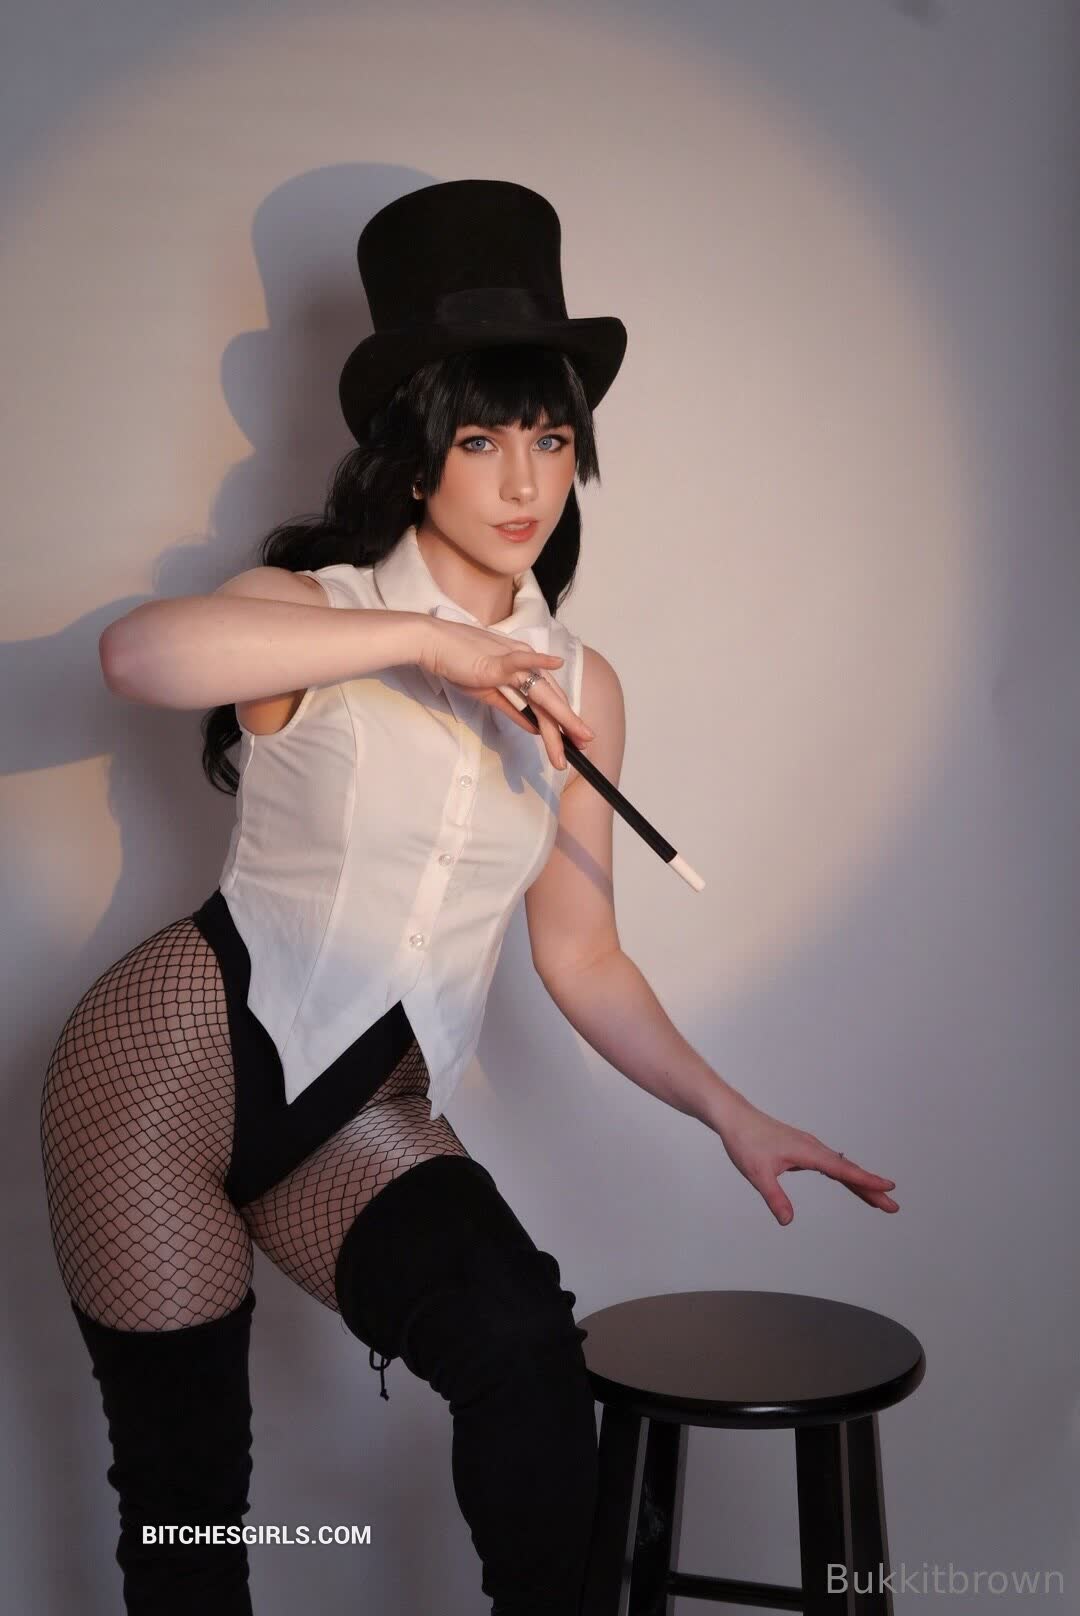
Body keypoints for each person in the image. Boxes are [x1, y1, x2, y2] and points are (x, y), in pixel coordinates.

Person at [39, 179, 899, 1616]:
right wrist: (419, 647)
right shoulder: (312, 614)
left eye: (551, 439)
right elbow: (136, 658)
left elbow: (584, 953)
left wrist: (731, 1111)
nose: (523, 482)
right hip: (162, 1077)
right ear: (414, 455)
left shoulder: (582, 689)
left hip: (359, 1108)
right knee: (188, 1506)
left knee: (521, 1353)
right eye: (483, 439)